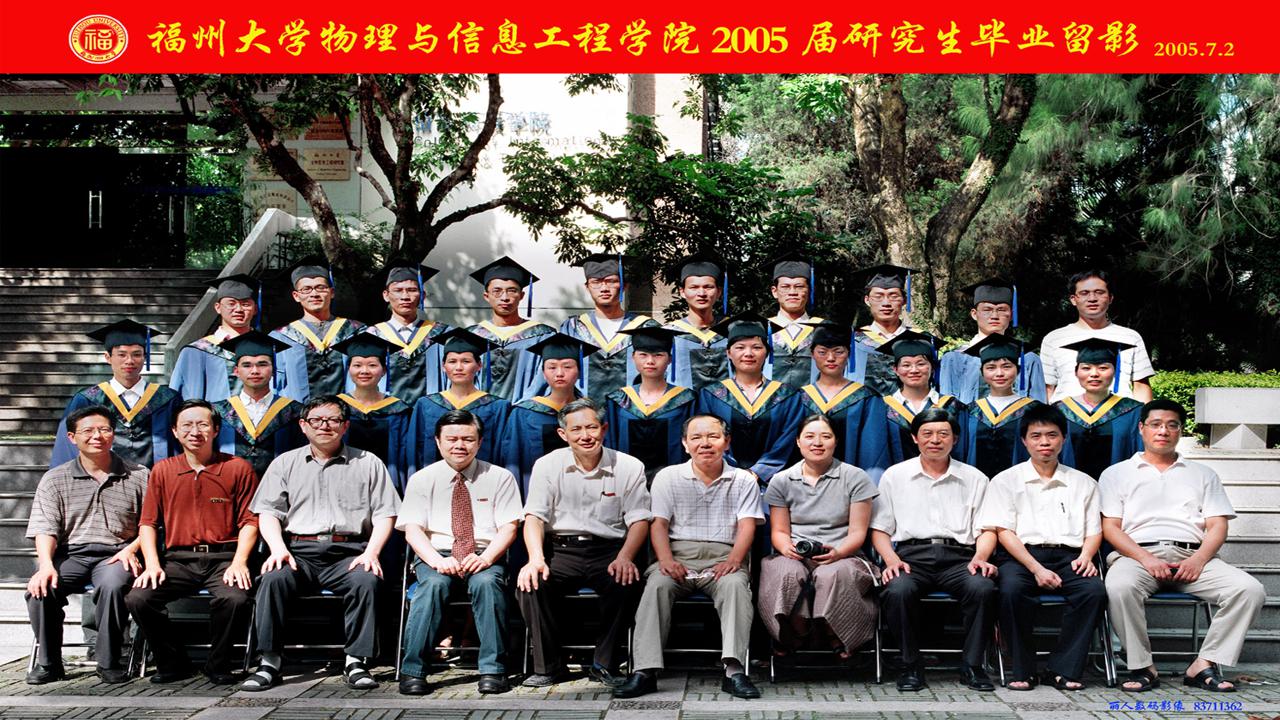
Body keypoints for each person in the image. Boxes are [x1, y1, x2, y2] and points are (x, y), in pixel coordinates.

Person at [1100, 399, 1265, 694]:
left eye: (1171, 425)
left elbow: (1218, 525)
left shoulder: (1203, 474)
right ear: (1141, 428)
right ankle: (1142, 666)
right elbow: (1110, 527)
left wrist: (1198, 559)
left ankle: (1204, 663)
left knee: (1249, 590)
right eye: (1156, 424)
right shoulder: (1116, 473)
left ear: (1180, 430)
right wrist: (1146, 559)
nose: (1163, 431)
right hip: (1137, 556)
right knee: (1119, 587)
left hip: (1193, 556)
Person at [241, 395, 402, 692]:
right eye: (316, 420)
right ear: (303, 425)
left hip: (349, 553)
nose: (324, 426)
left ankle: (356, 661)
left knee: (366, 579)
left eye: (333, 420)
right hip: (297, 553)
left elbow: (386, 514)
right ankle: (269, 662)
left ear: (345, 426)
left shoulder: (368, 463)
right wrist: (278, 549)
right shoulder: (284, 463)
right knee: (273, 579)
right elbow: (268, 512)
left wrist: (372, 552)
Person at [614, 414, 764, 700]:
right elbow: (659, 523)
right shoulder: (668, 477)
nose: (705, 443)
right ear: (684, 443)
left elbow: (747, 526)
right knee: (657, 586)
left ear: (727, 442)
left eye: (713, 437)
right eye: (696, 438)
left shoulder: (743, 479)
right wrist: (666, 560)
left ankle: (734, 671)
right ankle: (644, 671)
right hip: (677, 554)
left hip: (724, 555)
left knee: (735, 587)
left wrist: (734, 560)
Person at [517, 398, 651, 688]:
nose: (585, 435)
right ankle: (549, 666)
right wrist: (535, 558)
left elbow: (640, 520)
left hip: (609, 550)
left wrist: (626, 557)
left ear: (604, 429)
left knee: (626, 581)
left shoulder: (629, 466)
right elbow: (534, 517)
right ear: (563, 434)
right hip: (560, 549)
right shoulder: (547, 465)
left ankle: (605, 663)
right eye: (576, 429)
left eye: (591, 427)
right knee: (531, 584)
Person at [125, 399, 259, 685]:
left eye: (202, 425)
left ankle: (218, 664)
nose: (195, 431)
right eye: (186, 425)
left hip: (225, 558)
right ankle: (173, 662)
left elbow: (250, 521)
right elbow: (148, 523)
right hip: (178, 560)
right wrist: (152, 565)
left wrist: (240, 562)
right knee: (139, 598)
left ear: (216, 430)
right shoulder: (163, 470)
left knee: (234, 598)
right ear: (175, 431)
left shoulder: (238, 468)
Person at [977, 404, 1106, 691]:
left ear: (1064, 438)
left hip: (1071, 556)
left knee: (1093, 592)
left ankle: (1062, 669)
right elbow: (1003, 531)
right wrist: (1036, 568)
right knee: (1011, 591)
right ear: (1024, 441)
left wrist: (1087, 556)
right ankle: (1023, 670)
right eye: (1036, 436)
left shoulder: (1083, 482)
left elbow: (1093, 530)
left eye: (1052, 435)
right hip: (1020, 557)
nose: (1044, 442)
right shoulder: (1006, 480)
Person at [870, 408, 998, 692]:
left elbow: (987, 528)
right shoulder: (895, 476)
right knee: (897, 590)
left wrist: (980, 557)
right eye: (927, 433)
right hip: (911, 558)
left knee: (983, 588)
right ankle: (910, 665)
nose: (935, 440)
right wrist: (890, 560)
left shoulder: (975, 478)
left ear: (955, 439)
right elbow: (879, 529)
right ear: (915, 438)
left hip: (960, 559)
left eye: (943, 434)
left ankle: (973, 666)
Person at [398, 410, 522, 695]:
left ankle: (493, 670)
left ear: (479, 442)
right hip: (436, 554)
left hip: (484, 554)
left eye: (467, 439)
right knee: (432, 586)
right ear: (438, 441)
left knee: (487, 584)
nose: (459, 445)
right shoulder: (422, 479)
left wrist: (486, 558)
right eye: (451, 439)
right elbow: (413, 530)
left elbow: (509, 527)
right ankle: (413, 671)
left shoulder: (500, 477)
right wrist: (436, 561)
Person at [25, 406, 147, 685]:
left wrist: (132, 549)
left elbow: (152, 524)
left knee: (113, 586)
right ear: (72, 437)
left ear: (113, 434)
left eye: (104, 430)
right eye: (88, 431)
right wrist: (45, 566)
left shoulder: (139, 475)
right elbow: (45, 527)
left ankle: (108, 661)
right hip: (72, 554)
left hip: (118, 554)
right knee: (40, 590)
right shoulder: (55, 479)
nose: (97, 436)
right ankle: (49, 663)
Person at [758, 414, 879, 659]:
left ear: (836, 441)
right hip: (795, 553)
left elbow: (858, 532)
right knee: (785, 572)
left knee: (831, 575)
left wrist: (839, 552)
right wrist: (786, 548)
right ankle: (795, 632)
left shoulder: (855, 477)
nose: (817, 442)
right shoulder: (781, 480)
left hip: (843, 553)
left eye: (826, 436)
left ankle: (836, 633)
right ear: (798, 441)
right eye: (810, 436)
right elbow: (779, 531)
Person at [51, 319, 181, 469]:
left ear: (145, 357)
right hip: (102, 479)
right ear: (108, 357)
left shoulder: (167, 398)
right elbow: (67, 448)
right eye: (122, 355)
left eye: (136, 354)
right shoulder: (88, 399)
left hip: (156, 478)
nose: (129, 361)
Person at [697, 312, 805, 486]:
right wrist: (733, 472)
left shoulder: (788, 395)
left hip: (774, 483)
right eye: (740, 347)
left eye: (756, 347)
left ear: (767, 352)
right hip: (723, 479)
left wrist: (759, 472)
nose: (748, 353)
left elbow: (788, 438)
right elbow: (707, 438)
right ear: (728, 353)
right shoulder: (711, 395)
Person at [170, 274, 304, 402]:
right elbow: (187, 401)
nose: (238, 309)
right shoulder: (197, 352)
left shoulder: (271, 349)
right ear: (218, 308)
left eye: (245, 304)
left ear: (255, 309)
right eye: (231, 303)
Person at [499, 333, 597, 496]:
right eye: (552, 367)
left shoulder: (592, 412)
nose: (559, 373)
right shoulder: (523, 414)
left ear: (579, 371)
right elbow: (512, 460)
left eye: (567, 367)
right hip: (537, 495)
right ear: (543, 373)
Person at [796, 321, 891, 483]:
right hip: (804, 486)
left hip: (851, 486)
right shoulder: (799, 398)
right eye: (822, 352)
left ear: (849, 354)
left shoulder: (867, 398)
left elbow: (874, 452)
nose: (831, 358)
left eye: (839, 352)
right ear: (812, 354)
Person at [1040, 270, 1155, 404]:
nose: (1092, 298)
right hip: (1066, 414)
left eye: (1099, 292)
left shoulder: (1130, 337)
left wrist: (1143, 415)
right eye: (1084, 293)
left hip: (1120, 413)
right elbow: (1047, 388)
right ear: (1073, 299)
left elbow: (1141, 386)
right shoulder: (1054, 339)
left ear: (1110, 298)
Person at [558, 253, 658, 400]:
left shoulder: (645, 327)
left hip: (635, 408)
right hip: (582, 409)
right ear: (587, 287)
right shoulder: (573, 328)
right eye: (596, 282)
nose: (604, 288)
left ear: (624, 286)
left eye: (611, 281)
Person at [408, 327, 510, 471]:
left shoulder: (498, 407)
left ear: (479, 365)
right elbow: (415, 450)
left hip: (483, 478)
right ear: (443, 366)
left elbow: (502, 452)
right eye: (452, 361)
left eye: (466, 361)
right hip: (434, 480)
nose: (458, 367)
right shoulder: (426, 405)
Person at [603, 326, 696, 482]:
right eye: (643, 355)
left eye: (658, 355)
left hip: (675, 481)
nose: (650, 361)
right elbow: (610, 443)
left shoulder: (686, 399)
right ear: (633, 357)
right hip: (626, 481)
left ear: (670, 359)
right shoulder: (618, 400)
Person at [212, 331, 306, 480]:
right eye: (247, 365)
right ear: (236, 371)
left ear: (273, 370)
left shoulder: (294, 411)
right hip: (229, 485)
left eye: (262, 364)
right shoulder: (218, 411)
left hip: (281, 486)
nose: (255, 371)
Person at [939, 278, 1046, 403]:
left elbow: (1039, 406)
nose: (994, 316)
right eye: (987, 310)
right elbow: (947, 406)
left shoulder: (1028, 359)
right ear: (974, 314)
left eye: (1001, 310)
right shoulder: (955, 359)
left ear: (1011, 315)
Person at [360, 261, 452, 407]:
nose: (405, 296)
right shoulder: (372, 336)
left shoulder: (441, 334)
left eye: (412, 290)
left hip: (430, 413)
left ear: (422, 295)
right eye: (398, 290)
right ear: (386, 295)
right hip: (384, 413)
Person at [270, 262, 366, 400]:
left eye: (321, 288)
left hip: (347, 411)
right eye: (306, 289)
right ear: (296, 296)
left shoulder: (356, 332)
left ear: (332, 292)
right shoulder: (281, 337)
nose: (314, 294)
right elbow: (275, 386)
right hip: (299, 412)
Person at [466, 256, 557, 402]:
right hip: (478, 410)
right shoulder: (471, 336)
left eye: (512, 291)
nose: (505, 297)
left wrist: (522, 408)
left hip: (526, 411)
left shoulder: (543, 336)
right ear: (486, 296)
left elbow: (545, 380)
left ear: (521, 295)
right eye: (497, 291)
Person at [1055, 338, 1144, 481]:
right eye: (1086, 368)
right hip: (1070, 489)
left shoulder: (1133, 411)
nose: (1094, 374)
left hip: (1119, 488)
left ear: (1116, 371)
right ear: (1076, 372)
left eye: (1103, 368)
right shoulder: (1059, 411)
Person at [332, 333, 412, 491]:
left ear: (384, 370)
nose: (364, 371)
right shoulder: (336, 407)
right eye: (357, 365)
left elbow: (405, 455)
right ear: (348, 369)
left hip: (387, 485)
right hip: (342, 485)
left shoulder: (399, 410)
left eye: (372, 365)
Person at [958, 333, 1044, 478]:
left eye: (1006, 367)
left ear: (1018, 370)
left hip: (1021, 485)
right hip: (977, 484)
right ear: (982, 372)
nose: (999, 373)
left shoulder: (1034, 410)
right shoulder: (969, 411)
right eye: (991, 367)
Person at [876, 330, 965, 464]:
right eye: (906, 365)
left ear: (932, 368)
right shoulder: (882, 407)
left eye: (921, 364)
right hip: (896, 475)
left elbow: (961, 450)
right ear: (896, 370)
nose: (914, 370)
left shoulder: (952, 406)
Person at [664, 254, 729, 391]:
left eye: (708, 287)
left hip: (728, 402)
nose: (701, 293)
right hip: (682, 402)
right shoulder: (668, 333)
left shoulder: (732, 330)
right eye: (693, 287)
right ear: (682, 292)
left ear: (719, 292)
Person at [852, 264, 916, 396]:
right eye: (878, 296)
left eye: (893, 296)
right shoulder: (853, 340)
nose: (886, 303)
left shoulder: (919, 340)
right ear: (867, 300)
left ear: (904, 300)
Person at [765, 254, 826, 389]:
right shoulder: (761, 328)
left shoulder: (825, 328)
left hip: (814, 400)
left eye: (799, 286)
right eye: (785, 287)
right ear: (774, 292)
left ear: (808, 290)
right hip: (768, 400)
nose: (792, 292)